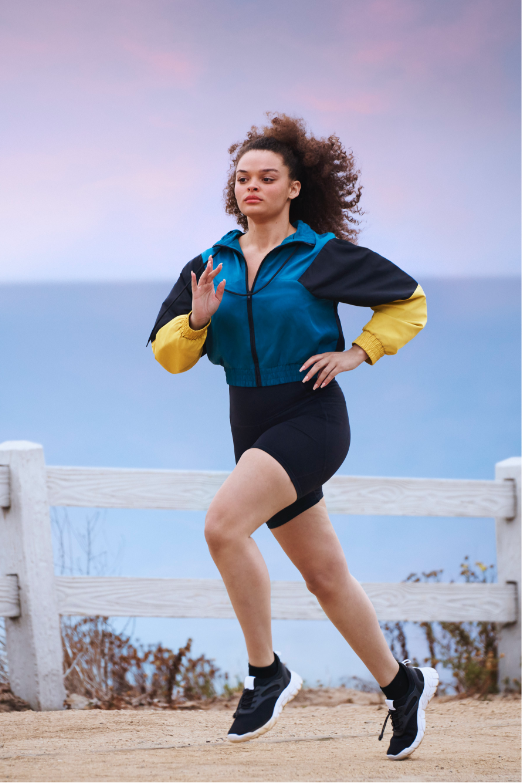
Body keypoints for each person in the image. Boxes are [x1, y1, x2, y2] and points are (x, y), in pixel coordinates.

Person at [148, 114, 438, 760]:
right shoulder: (208, 264)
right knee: (325, 575)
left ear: (294, 188)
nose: (252, 186)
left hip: (310, 417)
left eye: (267, 177)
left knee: (223, 525)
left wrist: (359, 352)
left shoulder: (319, 255)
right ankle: (403, 682)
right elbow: (167, 353)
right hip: (247, 420)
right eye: (243, 177)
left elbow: (409, 301)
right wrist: (196, 322)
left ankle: (266, 672)